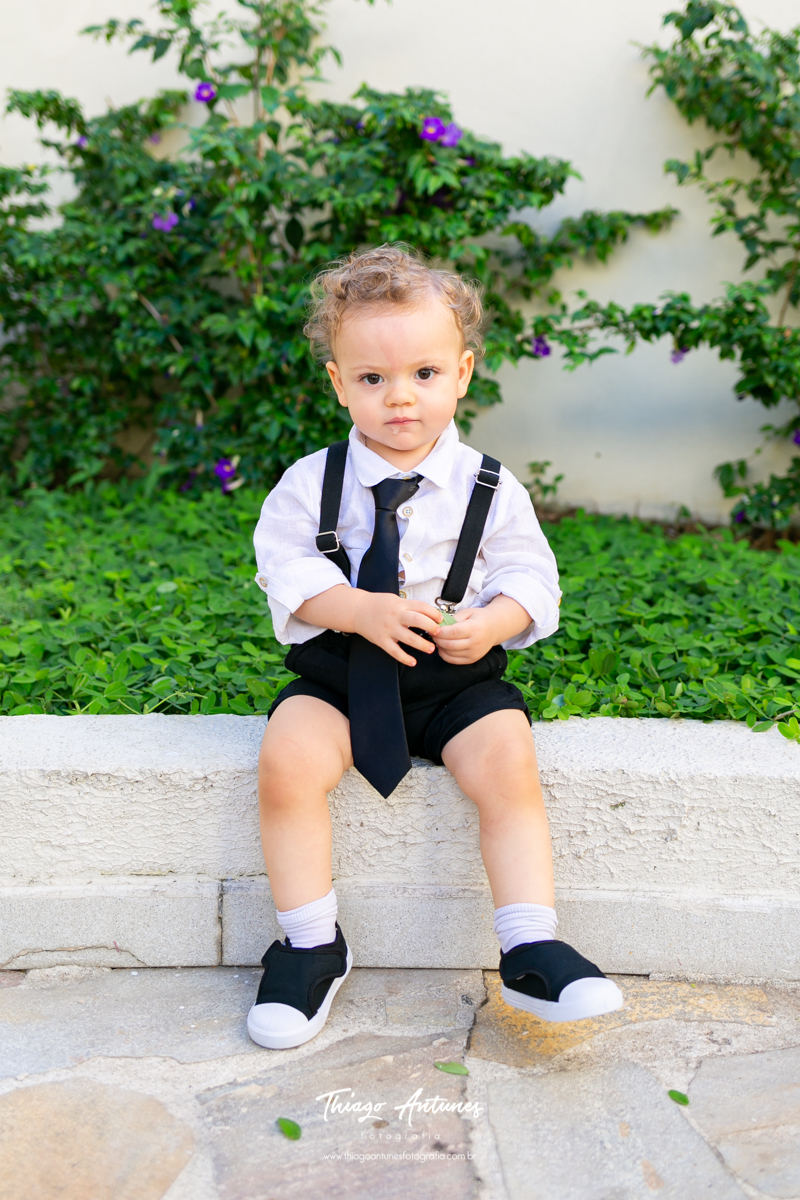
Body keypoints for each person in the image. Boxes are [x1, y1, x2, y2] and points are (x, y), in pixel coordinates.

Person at [249, 244, 623, 1049]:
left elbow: (532, 575)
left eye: (423, 374)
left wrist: (494, 622)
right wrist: (351, 607)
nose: (399, 399)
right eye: (373, 379)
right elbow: (283, 566)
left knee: (508, 764)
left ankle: (530, 943)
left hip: (456, 682)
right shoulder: (311, 480)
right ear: (338, 382)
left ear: (462, 372)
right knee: (286, 759)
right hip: (343, 678)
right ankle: (311, 942)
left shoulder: (490, 485)